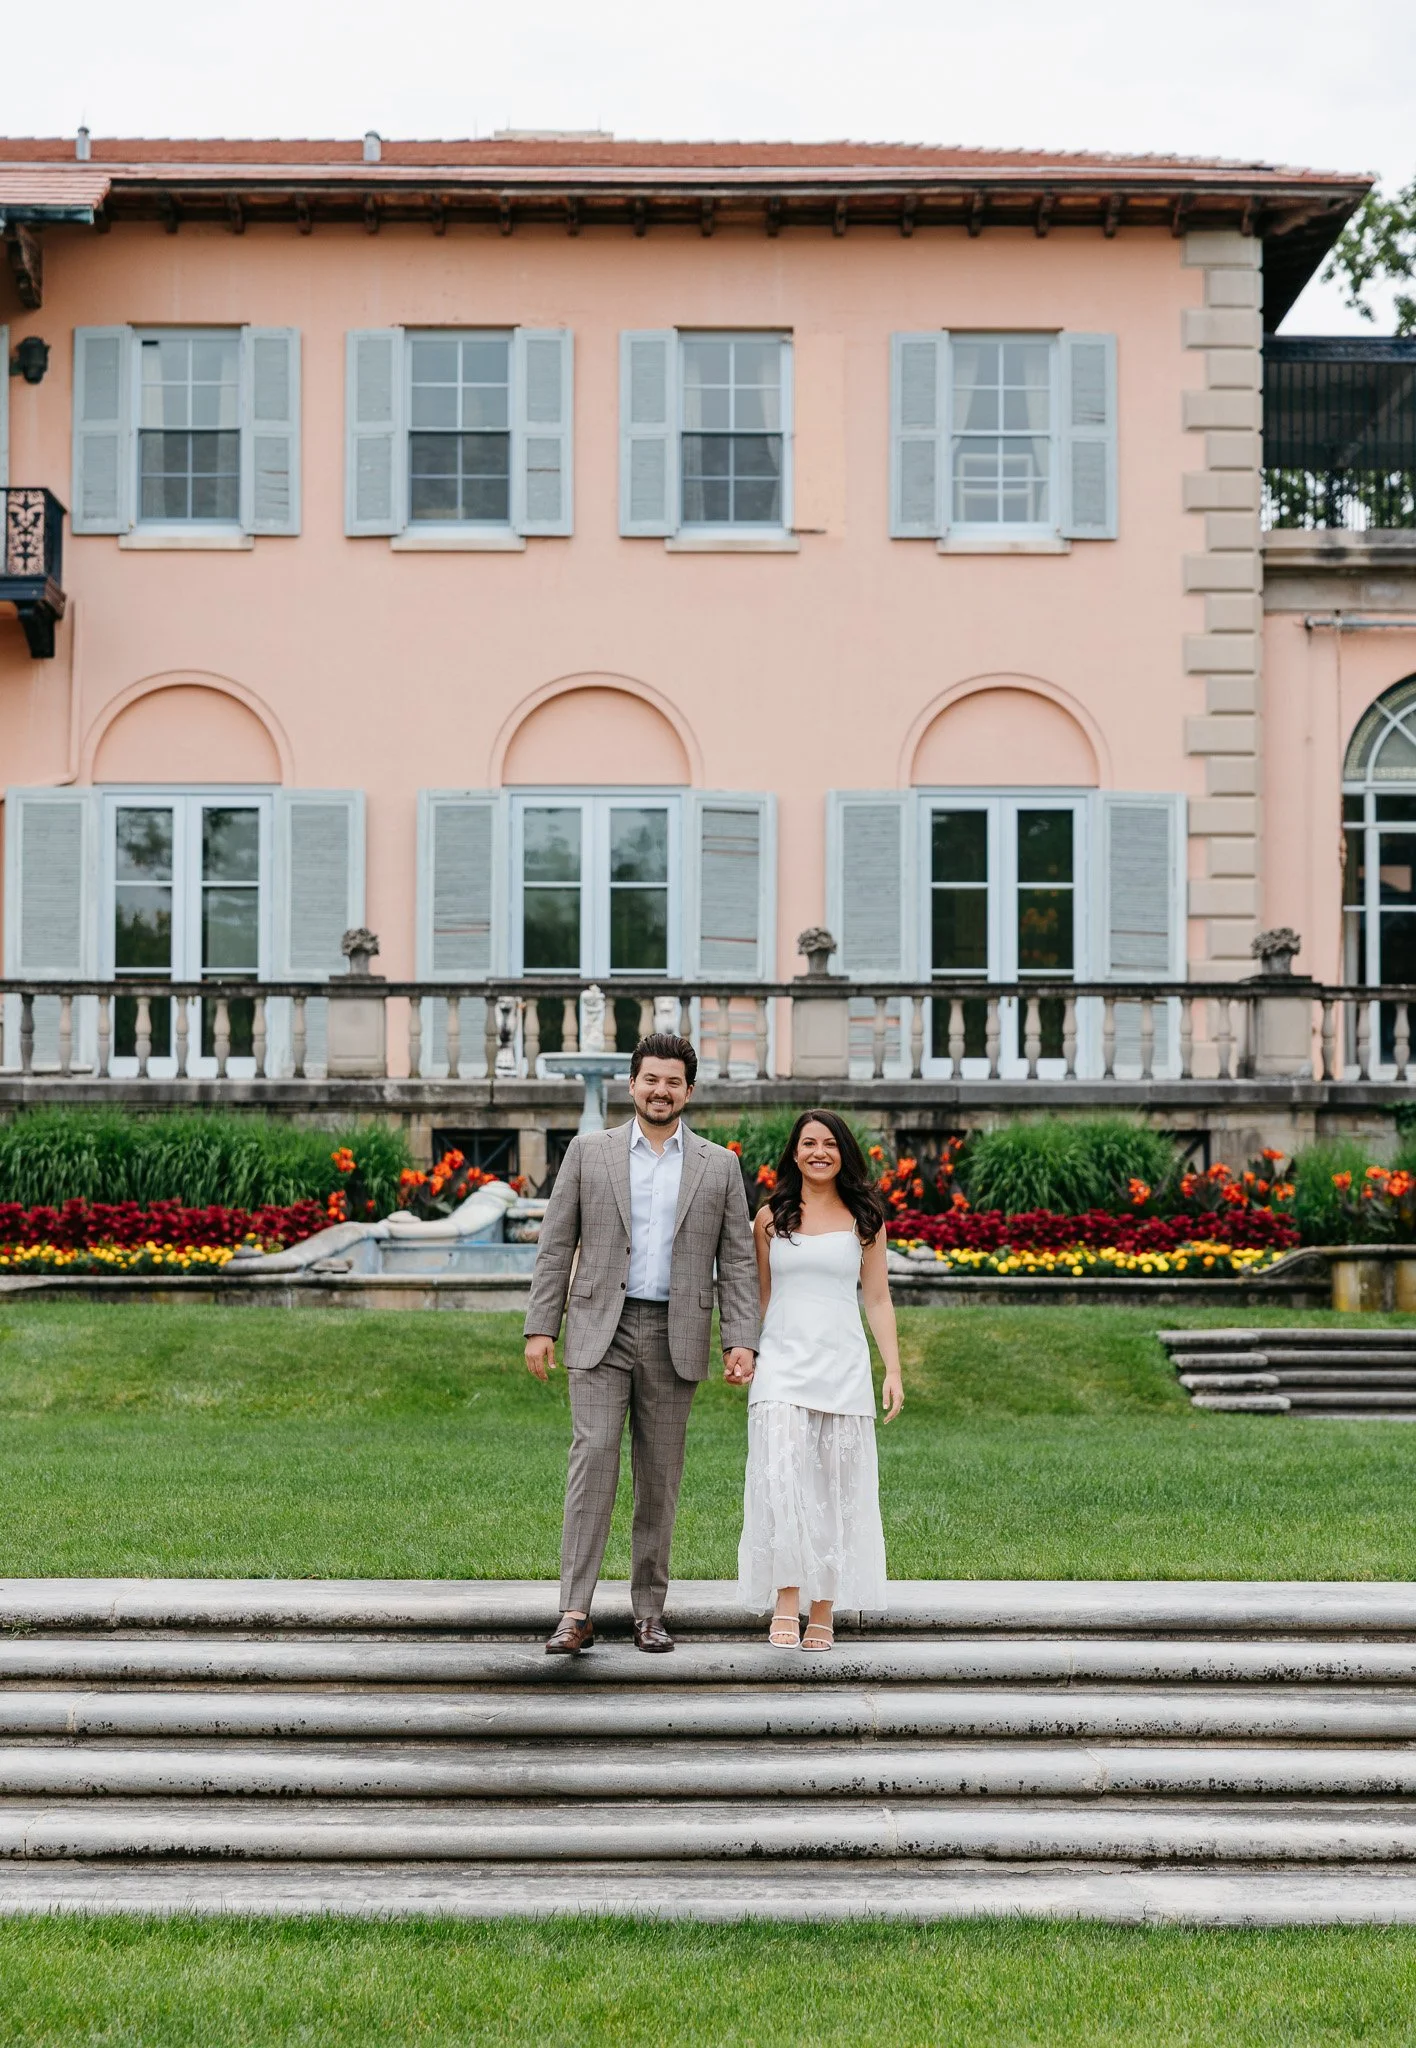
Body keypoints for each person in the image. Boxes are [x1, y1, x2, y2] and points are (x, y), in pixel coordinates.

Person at [524, 1032, 759, 1655]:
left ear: (688, 1091)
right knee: (593, 1462)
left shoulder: (719, 1165)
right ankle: (574, 1612)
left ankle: (649, 1612)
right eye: (651, 1079)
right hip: (600, 1329)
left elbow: (738, 1260)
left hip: (676, 1333)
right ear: (632, 1085)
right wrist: (541, 1326)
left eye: (673, 1082)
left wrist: (740, 1338)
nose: (661, 1091)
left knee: (660, 1478)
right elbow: (556, 1244)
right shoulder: (588, 1152)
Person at [735, 1108, 903, 1650]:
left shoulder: (866, 1219)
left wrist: (893, 1369)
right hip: (781, 1365)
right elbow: (759, 1297)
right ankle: (787, 1599)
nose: (819, 1153)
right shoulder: (770, 1218)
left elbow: (877, 1299)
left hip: (842, 1366)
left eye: (829, 1144)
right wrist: (744, 1351)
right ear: (794, 1152)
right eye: (808, 1143)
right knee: (781, 1483)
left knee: (834, 1488)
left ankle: (824, 1605)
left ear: (843, 1153)